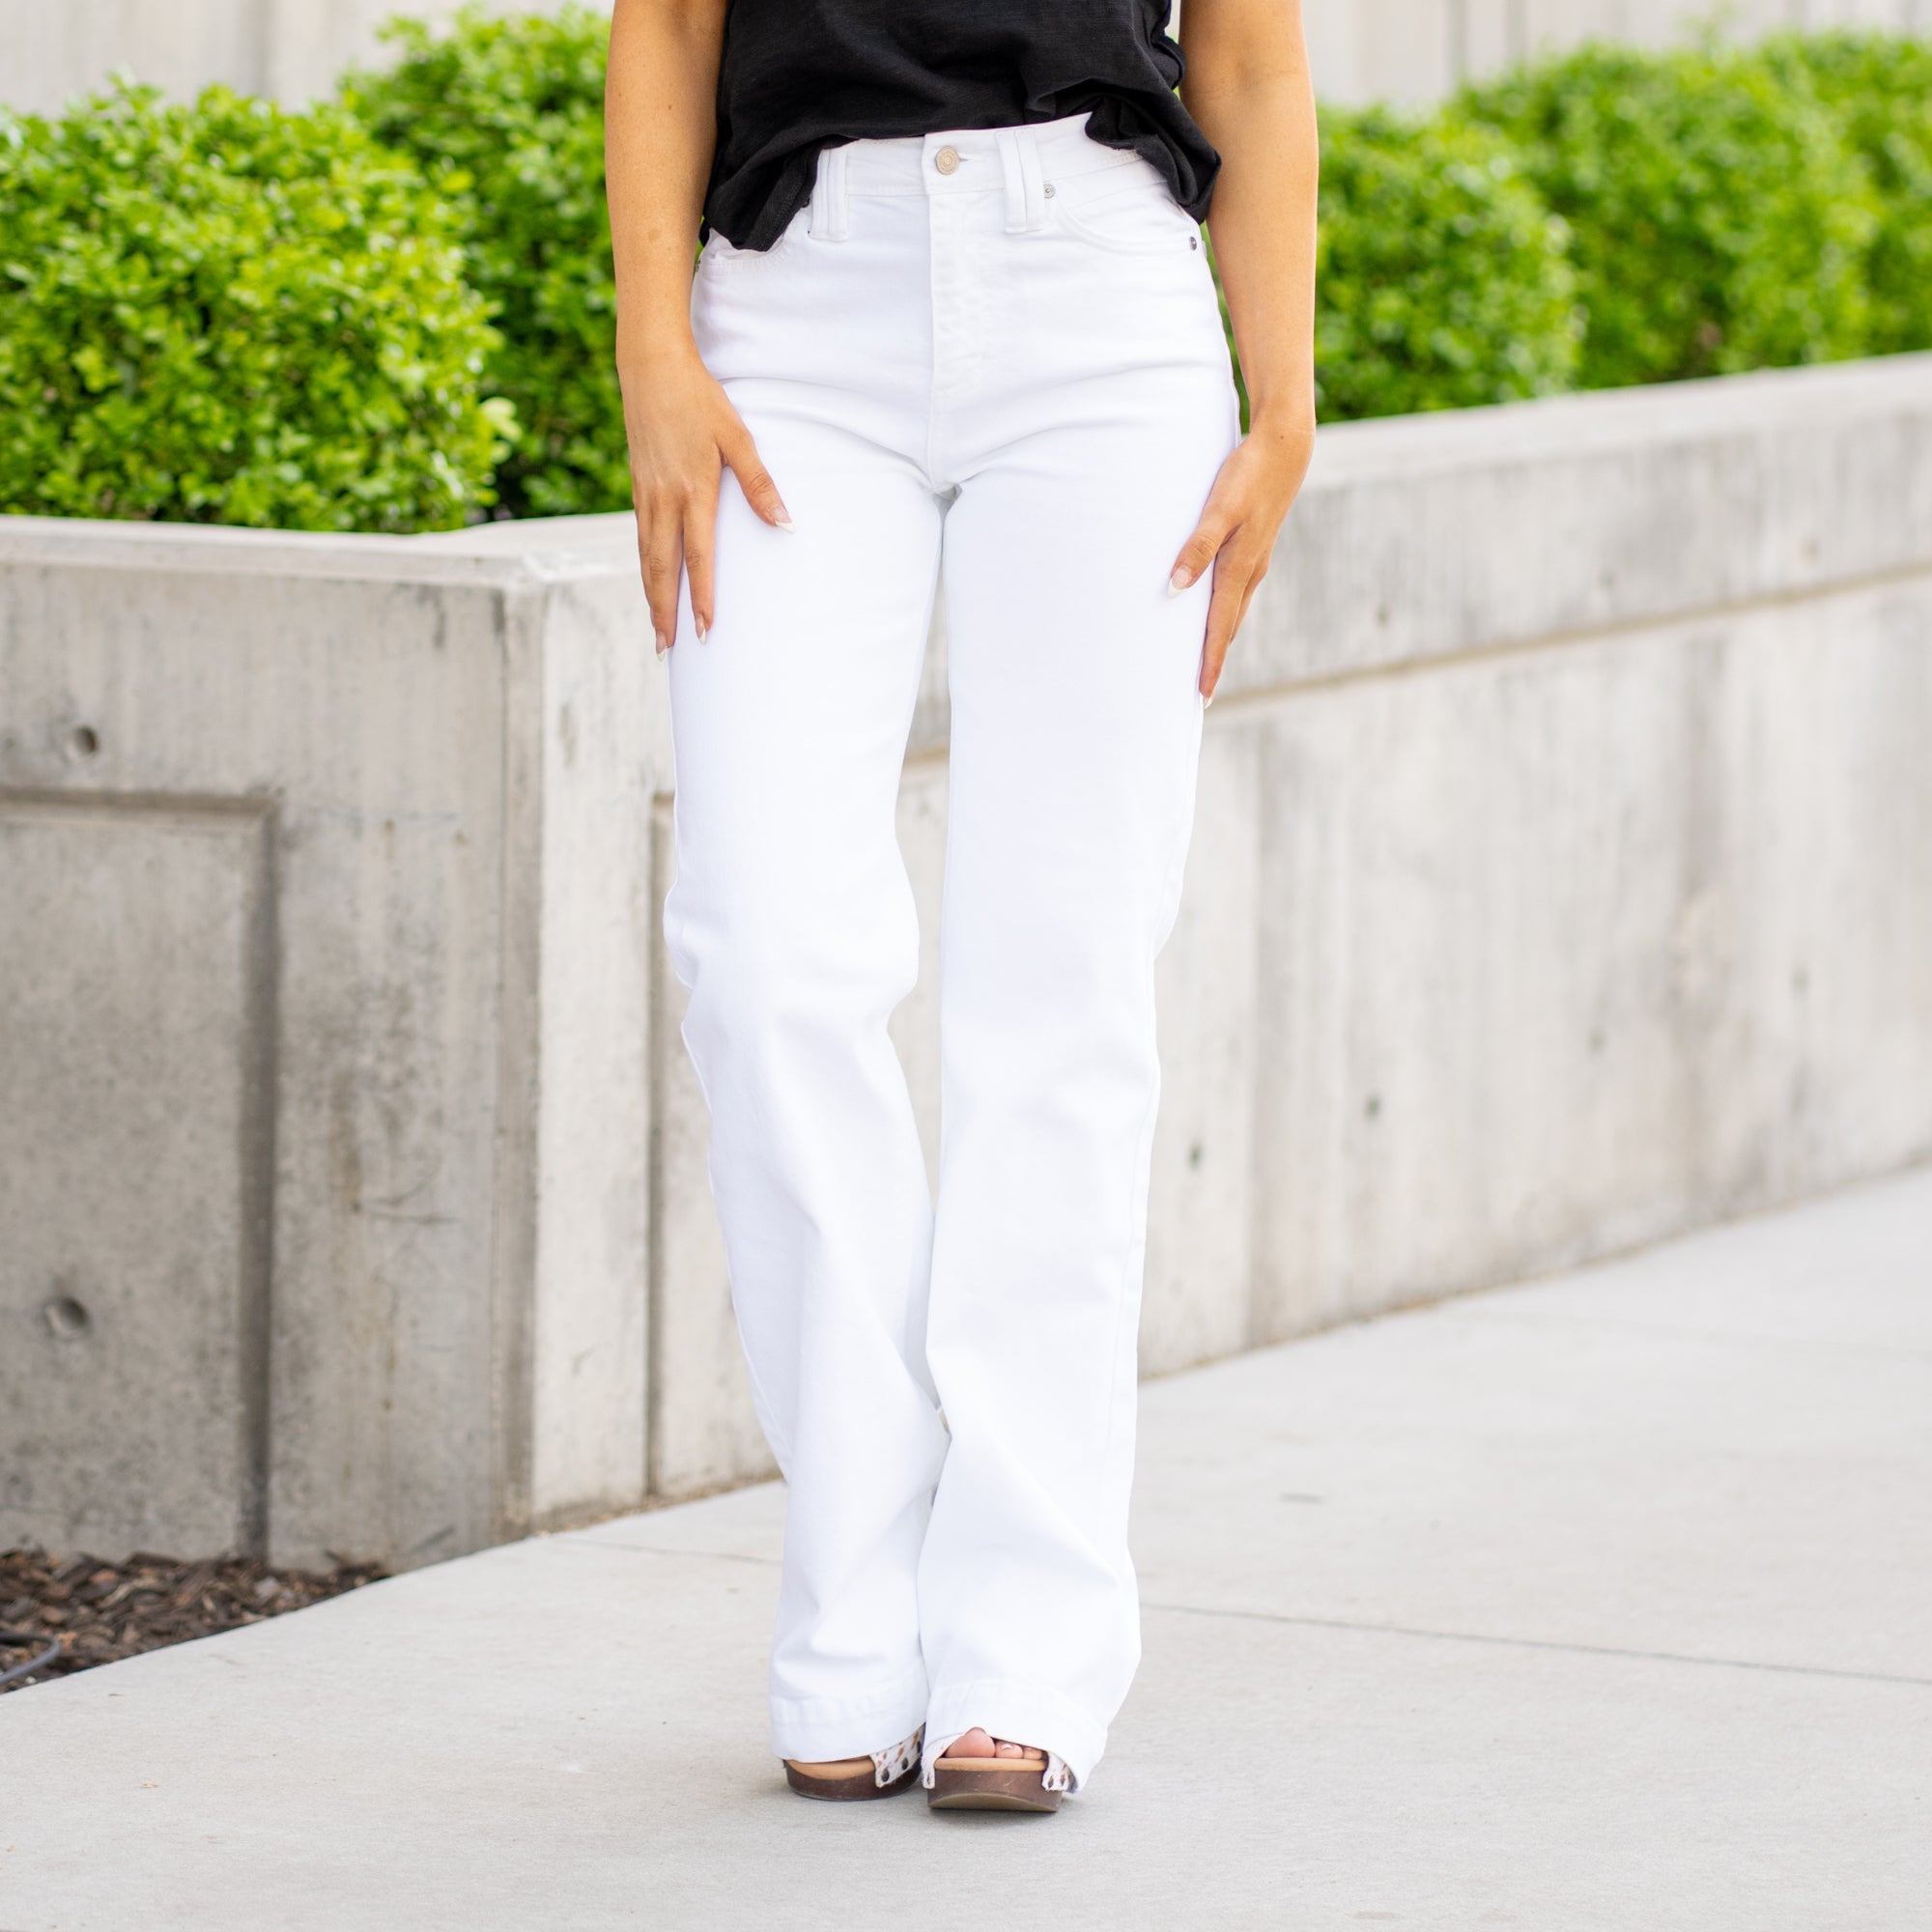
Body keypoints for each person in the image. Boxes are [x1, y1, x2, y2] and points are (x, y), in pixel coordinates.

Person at [606, 0, 1318, 1813]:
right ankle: (858, 1600)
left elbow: (1248, 59)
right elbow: (668, 20)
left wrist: (1285, 400)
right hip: (793, 311)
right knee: (762, 960)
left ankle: (1025, 1646)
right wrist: (653, 354)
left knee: (1061, 988)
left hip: (1101, 309)